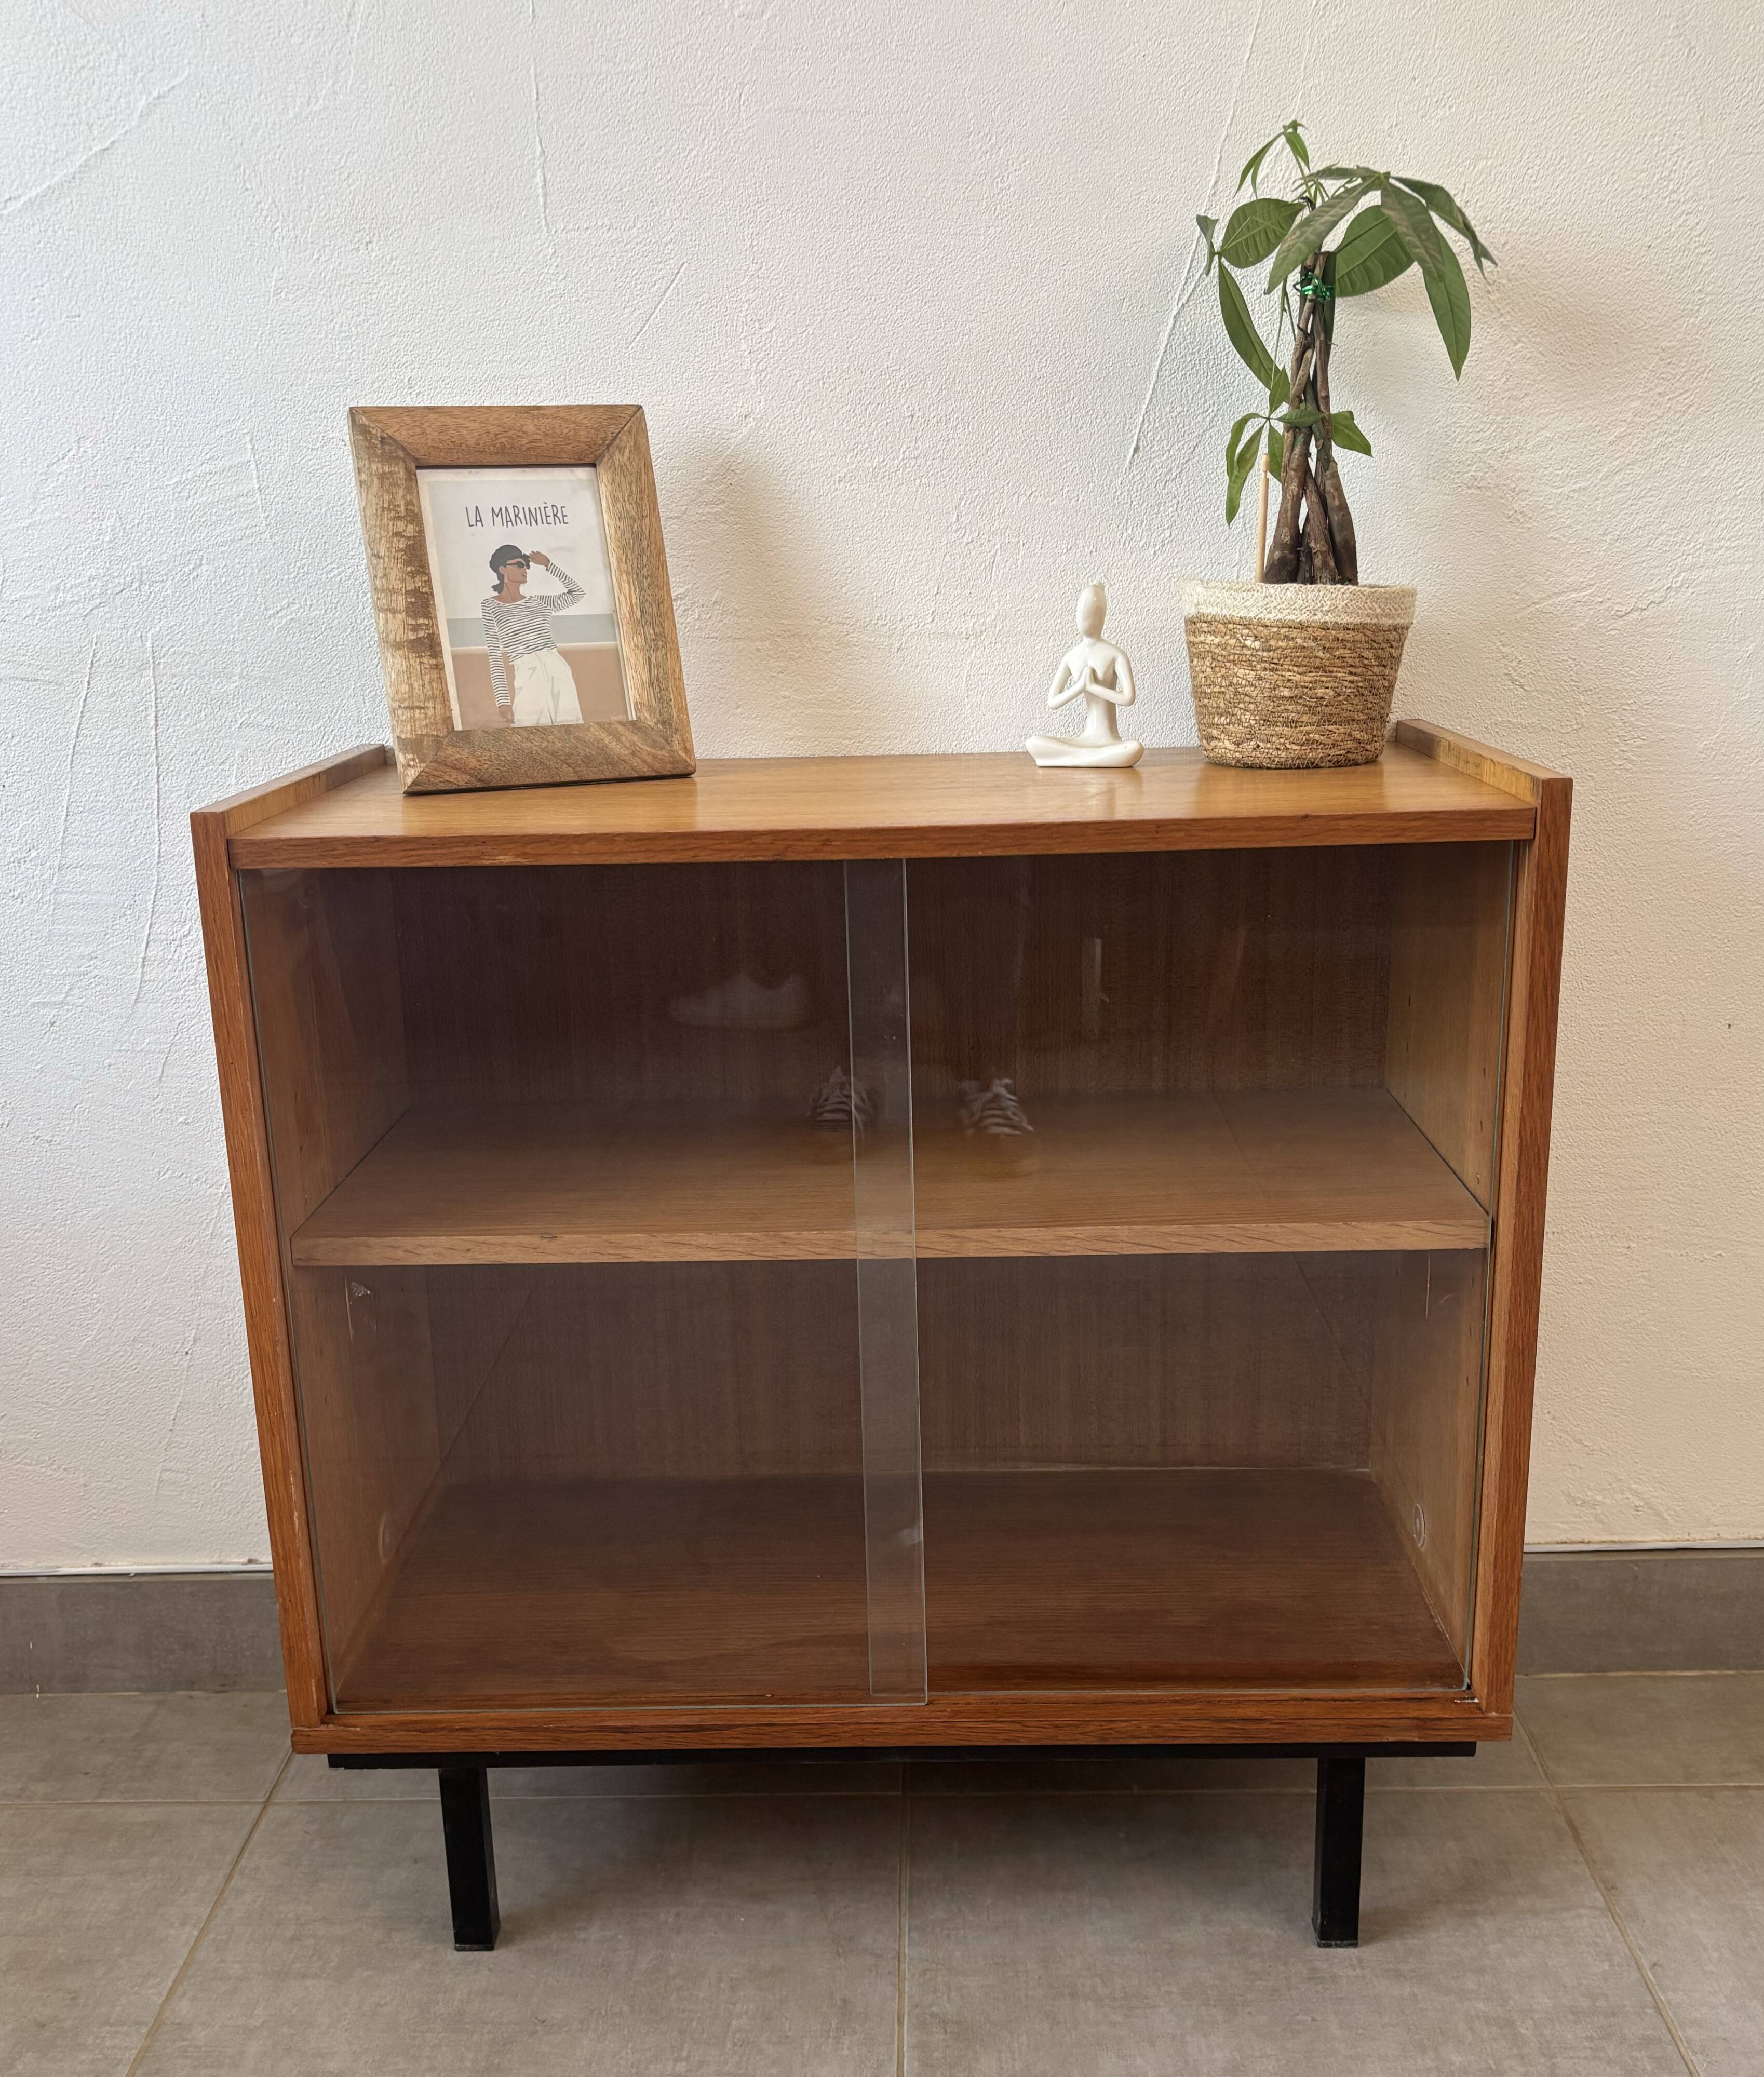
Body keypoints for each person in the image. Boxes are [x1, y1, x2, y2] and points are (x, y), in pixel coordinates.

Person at [481, 545, 587, 727]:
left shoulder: (539, 602)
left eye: (527, 566)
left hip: (557, 668)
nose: (525, 570)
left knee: (570, 730)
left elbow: (578, 594)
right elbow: (495, 656)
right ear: (503, 569)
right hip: (526, 672)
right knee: (530, 732)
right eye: (520, 565)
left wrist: (548, 565)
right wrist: (503, 700)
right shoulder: (490, 607)